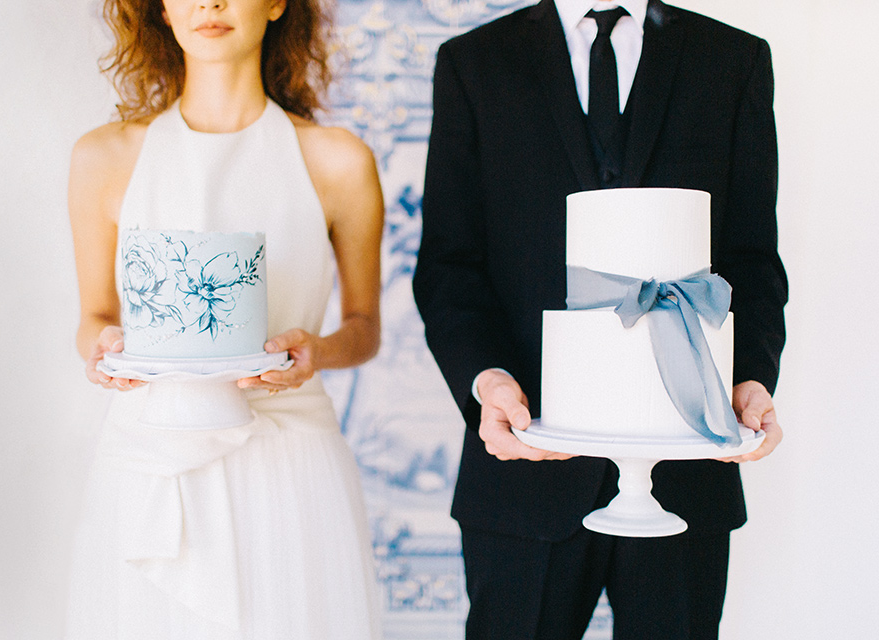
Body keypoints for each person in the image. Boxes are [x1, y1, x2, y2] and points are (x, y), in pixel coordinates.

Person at [413, 0, 787, 638]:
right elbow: (449, 265)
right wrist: (487, 381)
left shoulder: (733, 58)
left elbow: (751, 259)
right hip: (526, 468)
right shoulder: (474, 63)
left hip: (687, 464)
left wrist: (751, 377)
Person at [65, 0, 384, 637]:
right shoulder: (103, 156)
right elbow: (94, 316)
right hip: (149, 458)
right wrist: (102, 347)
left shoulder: (338, 160)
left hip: (289, 461)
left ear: (275, 5)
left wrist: (315, 353)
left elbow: (364, 327)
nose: (208, 3)